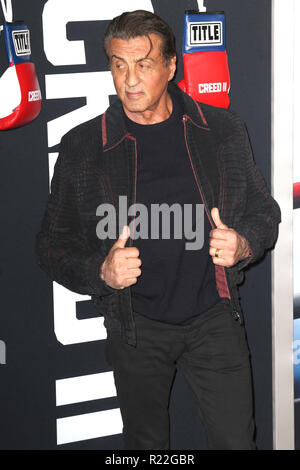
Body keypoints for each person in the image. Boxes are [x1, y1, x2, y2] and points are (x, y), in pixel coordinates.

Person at [35, 10, 281, 450]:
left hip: (215, 318)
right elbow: (51, 246)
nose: (130, 80)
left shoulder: (222, 130)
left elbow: (264, 211)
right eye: (118, 64)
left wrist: (243, 243)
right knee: (144, 446)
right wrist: (102, 272)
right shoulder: (84, 146)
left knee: (236, 442)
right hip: (136, 326)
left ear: (171, 67)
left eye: (143, 64)